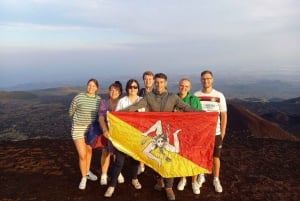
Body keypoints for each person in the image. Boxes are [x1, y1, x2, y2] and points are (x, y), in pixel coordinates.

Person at [120, 73, 200, 201]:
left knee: (169, 159)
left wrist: (205, 113)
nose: (159, 84)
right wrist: (119, 113)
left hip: (168, 133)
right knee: (157, 158)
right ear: (154, 83)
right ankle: (159, 180)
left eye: (161, 82)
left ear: (166, 83)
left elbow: (186, 107)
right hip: (156, 134)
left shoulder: (172, 97)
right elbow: (136, 106)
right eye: (157, 82)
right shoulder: (149, 96)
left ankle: (169, 187)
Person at [104, 79, 143, 198]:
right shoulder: (122, 101)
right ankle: (112, 185)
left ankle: (134, 179)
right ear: (127, 89)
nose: (133, 89)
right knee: (119, 162)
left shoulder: (143, 101)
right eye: (130, 87)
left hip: (137, 136)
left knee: (135, 160)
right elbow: (115, 118)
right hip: (123, 136)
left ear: (138, 88)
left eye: (135, 87)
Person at [194, 70, 227, 193]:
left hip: (216, 133)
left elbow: (223, 116)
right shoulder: (196, 95)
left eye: (208, 78)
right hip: (201, 133)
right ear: (200, 80)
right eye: (203, 79)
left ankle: (216, 179)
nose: (206, 81)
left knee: (215, 157)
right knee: (201, 155)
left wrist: (222, 133)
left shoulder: (219, 96)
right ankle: (201, 175)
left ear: (212, 80)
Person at [68, 78, 101, 190]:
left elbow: (99, 115)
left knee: (88, 151)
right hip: (78, 129)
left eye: (93, 86)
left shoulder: (98, 100)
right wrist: (77, 121)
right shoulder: (79, 97)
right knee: (82, 155)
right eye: (89, 85)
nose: (91, 87)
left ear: (97, 88)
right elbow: (71, 111)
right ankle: (83, 177)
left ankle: (87, 172)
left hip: (90, 130)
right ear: (87, 86)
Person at [175, 78, 202, 194]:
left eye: (186, 86)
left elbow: (200, 116)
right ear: (178, 86)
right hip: (178, 133)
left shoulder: (194, 99)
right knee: (181, 157)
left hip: (192, 134)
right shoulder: (173, 98)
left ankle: (194, 182)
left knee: (193, 158)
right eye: (182, 86)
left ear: (189, 88)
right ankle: (183, 178)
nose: (183, 88)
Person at [98, 81, 124, 186]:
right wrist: (104, 130)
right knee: (106, 152)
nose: (114, 92)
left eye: (116, 90)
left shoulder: (122, 103)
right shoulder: (104, 102)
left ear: (120, 92)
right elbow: (100, 117)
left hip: (119, 132)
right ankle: (104, 174)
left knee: (118, 154)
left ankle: (117, 172)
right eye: (112, 90)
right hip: (106, 131)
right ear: (109, 91)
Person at [137, 70, 154, 174]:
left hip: (154, 121)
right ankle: (141, 164)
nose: (148, 81)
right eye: (146, 79)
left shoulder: (157, 91)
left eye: (150, 79)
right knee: (141, 143)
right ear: (143, 80)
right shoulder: (140, 92)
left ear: (153, 80)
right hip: (142, 121)